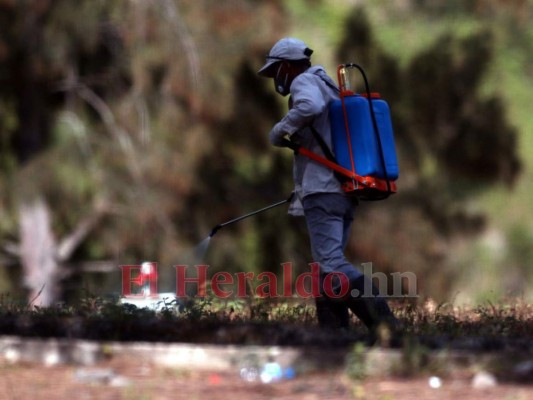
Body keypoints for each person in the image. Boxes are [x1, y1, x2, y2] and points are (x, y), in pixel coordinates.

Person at [258, 37, 397, 336]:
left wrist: (280, 130)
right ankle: (334, 337)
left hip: (323, 190)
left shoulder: (304, 83)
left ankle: (385, 325)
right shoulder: (329, 85)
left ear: (287, 66)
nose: (276, 79)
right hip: (343, 190)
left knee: (331, 262)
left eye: (275, 71)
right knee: (324, 267)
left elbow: (309, 106)